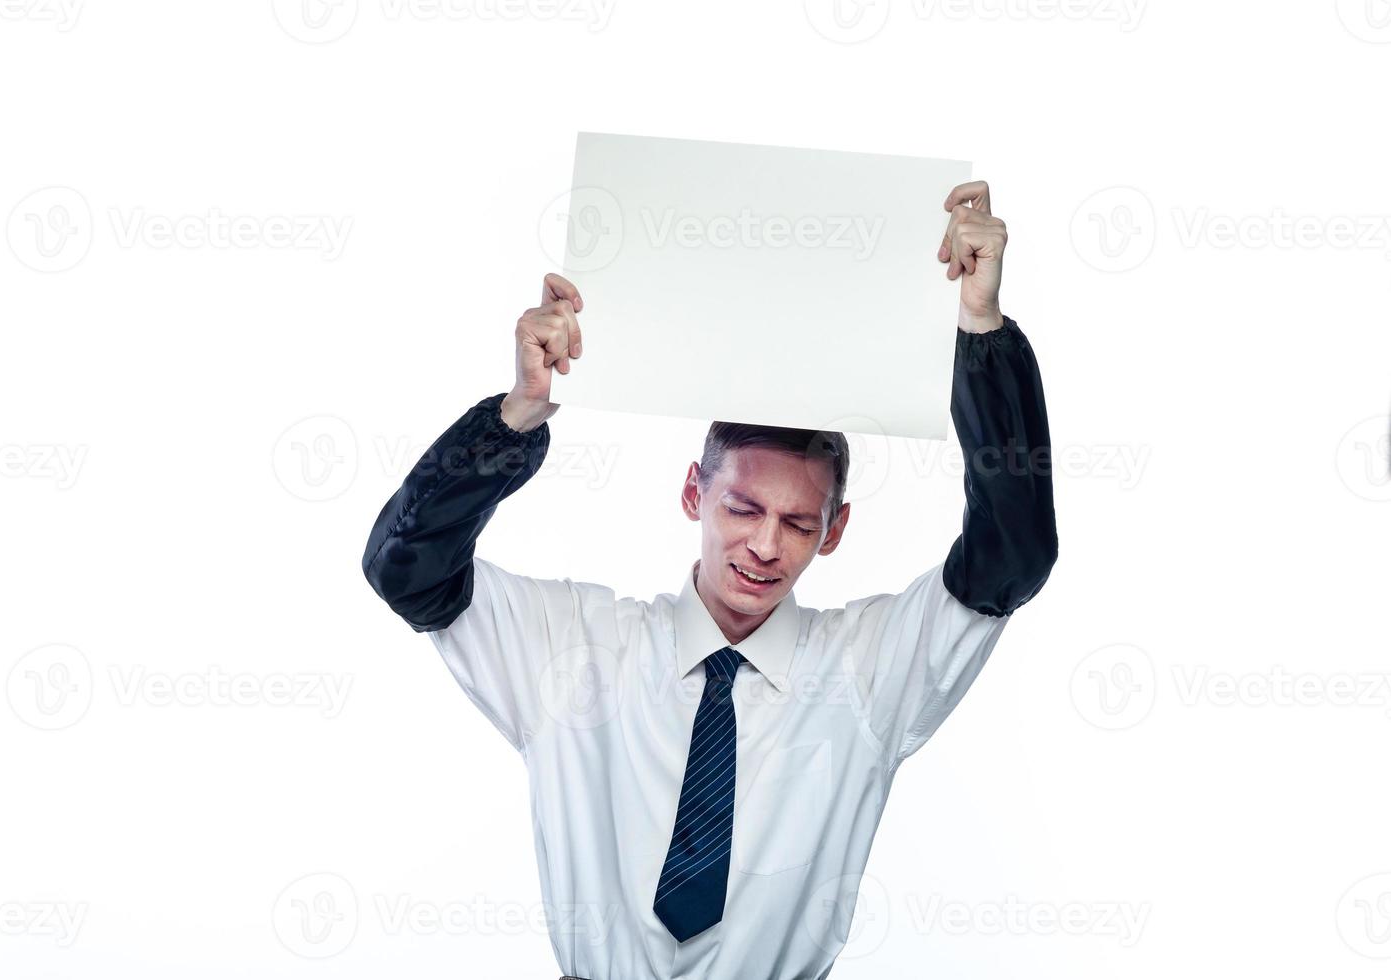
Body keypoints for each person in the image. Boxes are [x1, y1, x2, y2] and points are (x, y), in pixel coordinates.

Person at [361, 180, 1057, 979]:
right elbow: (405, 568)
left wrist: (980, 327)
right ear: (694, 491)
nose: (764, 546)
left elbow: (1013, 556)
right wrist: (518, 411)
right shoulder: (574, 647)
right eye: (741, 507)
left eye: (799, 523)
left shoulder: (869, 669)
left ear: (835, 530)